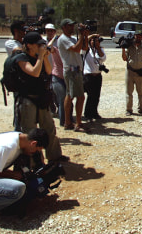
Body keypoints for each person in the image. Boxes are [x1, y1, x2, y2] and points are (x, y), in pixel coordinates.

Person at [13, 31, 68, 164]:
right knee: (29, 132)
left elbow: (49, 71)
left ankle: (54, 156)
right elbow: (34, 72)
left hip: (41, 98)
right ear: (29, 45)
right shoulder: (21, 58)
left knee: (49, 127)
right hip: (27, 100)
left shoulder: (39, 57)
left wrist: (43, 57)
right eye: (37, 45)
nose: (40, 47)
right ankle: (34, 161)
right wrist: (40, 57)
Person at [57, 18, 87, 132]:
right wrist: (81, 36)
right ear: (64, 27)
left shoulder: (72, 38)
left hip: (75, 70)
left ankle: (68, 122)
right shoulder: (63, 39)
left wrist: (84, 36)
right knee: (79, 96)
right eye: (69, 26)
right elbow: (76, 48)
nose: (72, 28)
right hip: (72, 70)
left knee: (70, 95)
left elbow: (84, 48)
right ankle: (77, 123)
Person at [122, 29, 142, 115]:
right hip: (130, 71)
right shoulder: (129, 46)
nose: (138, 38)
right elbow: (124, 58)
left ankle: (141, 108)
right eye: (137, 36)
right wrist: (123, 48)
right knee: (129, 92)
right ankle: (129, 109)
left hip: (141, 72)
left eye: (140, 36)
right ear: (134, 36)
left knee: (140, 91)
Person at [45, 23, 66, 126]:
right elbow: (47, 48)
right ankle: (52, 109)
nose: (50, 32)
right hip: (46, 70)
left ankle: (60, 112)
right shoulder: (44, 42)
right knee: (49, 93)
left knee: (59, 96)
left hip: (55, 70)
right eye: (48, 31)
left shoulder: (58, 42)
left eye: (51, 31)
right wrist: (53, 40)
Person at [81, 32, 106, 121]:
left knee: (96, 96)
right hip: (88, 76)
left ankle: (94, 113)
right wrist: (92, 36)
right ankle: (88, 114)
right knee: (90, 95)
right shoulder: (86, 50)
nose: (94, 42)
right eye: (93, 41)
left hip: (98, 76)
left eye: (96, 41)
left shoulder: (100, 50)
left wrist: (98, 47)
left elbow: (103, 58)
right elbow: (83, 41)